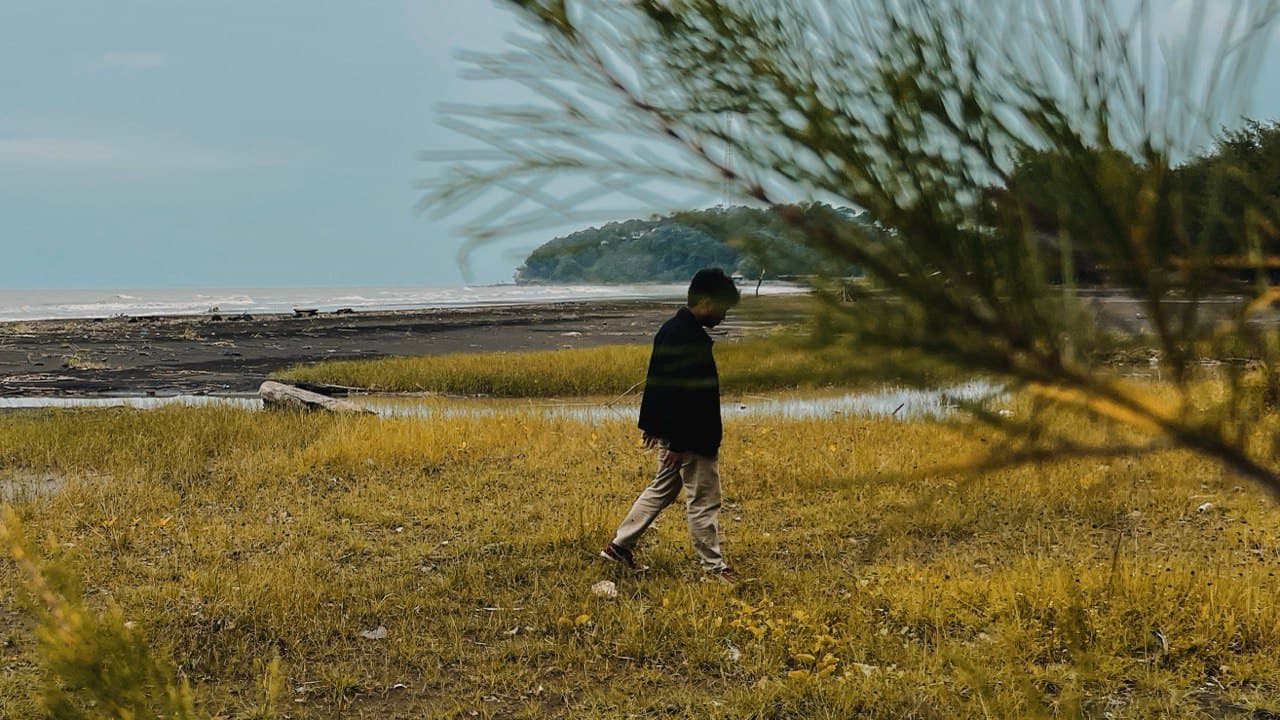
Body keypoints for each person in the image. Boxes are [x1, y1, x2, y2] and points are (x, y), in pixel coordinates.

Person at [601, 268, 741, 581]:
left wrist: (653, 426)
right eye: (723, 309)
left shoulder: (672, 329)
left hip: (676, 433)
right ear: (705, 301)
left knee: (662, 488)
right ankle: (714, 568)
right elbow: (683, 394)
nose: (723, 316)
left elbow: (657, 383)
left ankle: (619, 547)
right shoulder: (689, 338)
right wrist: (677, 442)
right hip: (692, 437)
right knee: (704, 500)